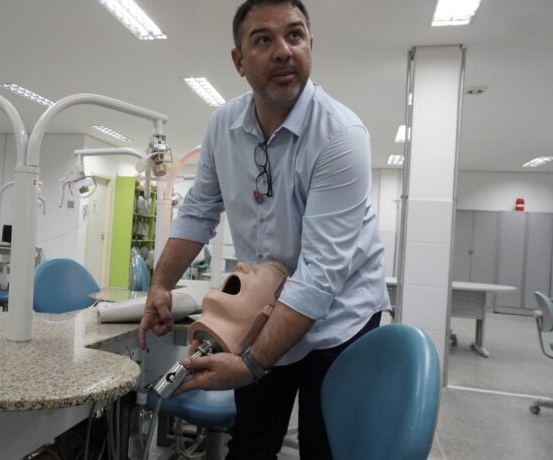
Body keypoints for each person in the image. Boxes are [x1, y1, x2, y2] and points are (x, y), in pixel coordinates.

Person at [137, 0, 390, 458]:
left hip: (342, 315)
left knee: (324, 446)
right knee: (252, 442)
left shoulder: (340, 135)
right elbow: (199, 211)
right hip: (266, 306)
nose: (283, 50)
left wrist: (250, 364)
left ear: (310, 45)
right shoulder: (223, 126)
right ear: (239, 61)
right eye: (263, 39)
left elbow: (319, 277)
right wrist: (161, 285)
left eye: (294, 35)